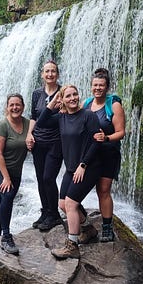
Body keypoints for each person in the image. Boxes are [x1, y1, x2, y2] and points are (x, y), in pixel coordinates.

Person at [36, 84, 102, 260]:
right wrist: (53, 102)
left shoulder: (88, 115)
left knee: (71, 204)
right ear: (62, 100)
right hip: (71, 168)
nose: (72, 98)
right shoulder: (61, 118)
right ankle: (87, 229)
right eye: (68, 96)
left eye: (75, 95)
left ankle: (72, 245)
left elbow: (97, 142)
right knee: (62, 204)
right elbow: (41, 122)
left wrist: (84, 164)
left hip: (88, 167)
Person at [83, 68, 125, 242]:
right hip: (89, 155)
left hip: (108, 153)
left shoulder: (113, 105)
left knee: (103, 191)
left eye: (101, 85)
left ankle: (107, 228)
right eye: (95, 85)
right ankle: (85, 224)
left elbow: (121, 132)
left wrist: (106, 137)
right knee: (77, 189)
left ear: (107, 87)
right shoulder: (86, 104)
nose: (97, 88)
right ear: (91, 86)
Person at [0, 93, 30, 255]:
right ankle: (6, 236)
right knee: (7, 194)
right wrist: (6, 178)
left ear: (23, 106)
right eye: (12, 105)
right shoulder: (2, 125)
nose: (15, 108)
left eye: (18, 104)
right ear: (7, 107)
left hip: (15, 170)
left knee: (5, 198)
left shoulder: (28, 124)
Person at [26, 60, 64, 232]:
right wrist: (29, 134)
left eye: (53, 71)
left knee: (49, 177)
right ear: (42, 74)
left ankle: (54, 214)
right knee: (41, 178)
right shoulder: (36, 94)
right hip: (38, 142)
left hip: (56, 142)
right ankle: (45, 211)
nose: (50, 74)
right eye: (47, 71)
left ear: (57, 74)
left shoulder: (63, 92)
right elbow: (34, 116)